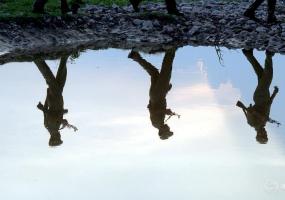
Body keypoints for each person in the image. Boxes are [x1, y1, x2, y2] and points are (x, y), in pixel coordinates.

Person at [128, 48, 179, 140]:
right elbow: (152, 107)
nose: (169, 128)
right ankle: (135, 56)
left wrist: (165, 111)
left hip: (157, 95)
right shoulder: (159, 122)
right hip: (155, 95)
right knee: (154, 73)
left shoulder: (156, 124)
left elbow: (154, 111)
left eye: (168, 130)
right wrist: (166, 90)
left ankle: (171, 49)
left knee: (166, 71)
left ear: (162, 131)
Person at [236, 49, 279, 144]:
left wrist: (260, 116)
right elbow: (268, 105)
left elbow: (250, 110)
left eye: (264, 135)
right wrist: (274, 94)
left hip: (260, 96)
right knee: (261, 74)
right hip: (265, 96)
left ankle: (269, 55)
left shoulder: (253, 123)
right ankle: (248, 54)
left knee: (268, 76)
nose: (265, 133)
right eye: (266, 135)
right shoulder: (263, 123)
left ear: (259, 135)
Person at [34, 55, 77, 146]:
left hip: (55, 99)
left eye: (59, 138)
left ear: (54, 137)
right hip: (55, 98)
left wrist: (62, 115)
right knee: (61, 78)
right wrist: (47, 95)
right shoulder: (53, 127)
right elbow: (48, 113)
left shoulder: (51, 127)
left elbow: (50, 115)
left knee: (49, 77)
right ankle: (64, 56)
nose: (60, 136)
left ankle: (37, 59)